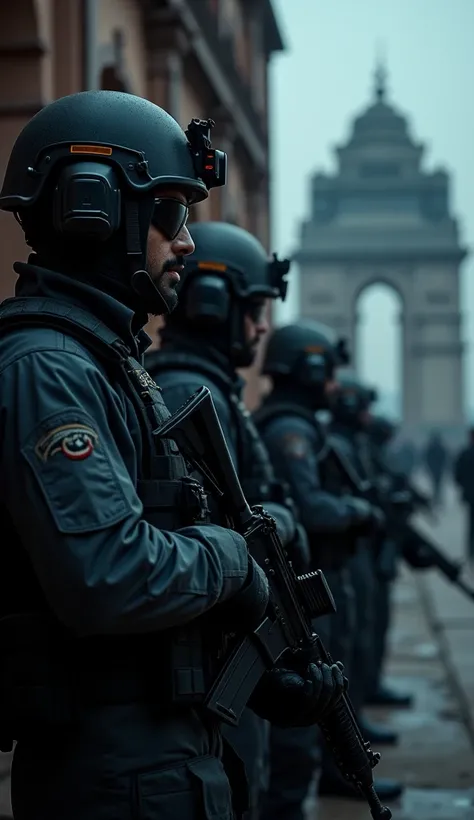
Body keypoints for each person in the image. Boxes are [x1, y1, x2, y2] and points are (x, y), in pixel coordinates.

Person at [0, 90, 344, 820]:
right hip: (113, 771)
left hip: (158, 755)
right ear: (94, 209)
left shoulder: (107, 360)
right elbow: (109, 573)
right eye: (171, 214)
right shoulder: (48, 369)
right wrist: (232, 558)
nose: (187, 241)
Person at [144, 221, 308, 818]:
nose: (263, 326)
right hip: (215, 668)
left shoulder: (207, 389)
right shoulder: (192, 392)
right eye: (256, 307)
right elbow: (208, 534)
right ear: (215, 302)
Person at [254, 322, 402, 809]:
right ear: (309, 368)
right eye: (328, 372)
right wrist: (360, 512)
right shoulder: (291, 429)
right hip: (305, 581)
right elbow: (311, 507)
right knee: (307, 711)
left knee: (341, 671)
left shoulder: (299, 424)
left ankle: (340, 767)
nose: (334, 386)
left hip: (321, 571)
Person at [329, 374, 404, 799]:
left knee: (359, 642)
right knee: (344, 650)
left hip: (352, 554)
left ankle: (353, 735)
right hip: (338, 558)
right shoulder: (297, 433)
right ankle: (340, 763)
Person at [365, 415, 413, 709]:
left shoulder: (366, 448)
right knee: (357, 636)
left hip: (371, 547)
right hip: (357, 551)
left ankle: (370, 687)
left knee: (372, 626)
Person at [453, 428, 474, 564]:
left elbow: (457, 475)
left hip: (471, 495)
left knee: (472, 524)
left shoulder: (465, 454)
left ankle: (471, 551)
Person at [423, 432, 449, 507]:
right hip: (437, 469)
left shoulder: (431, 448)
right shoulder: (441, 448)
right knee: (438, 485)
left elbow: (427, 459)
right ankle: (437, 499)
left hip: (435, 469)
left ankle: (436, 499)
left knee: (436, 485)